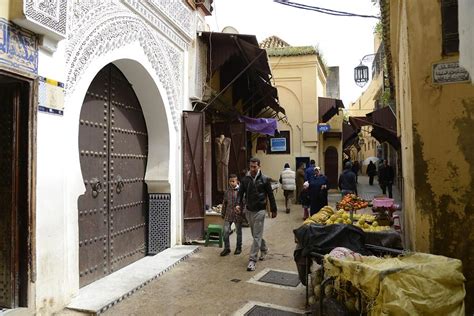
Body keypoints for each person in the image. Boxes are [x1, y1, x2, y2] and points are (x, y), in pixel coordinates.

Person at [236, 157, 277, 272]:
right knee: (256, 234)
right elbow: (240, 194)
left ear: (259, 166)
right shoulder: (245, 180)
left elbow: (270, 195)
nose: (253, 169)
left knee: (257, 235)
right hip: (249, 210)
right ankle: (264, 248)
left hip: (260, 211)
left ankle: (252, 260)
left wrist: (274, 209)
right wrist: (238, 204)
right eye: (251, 167)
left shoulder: (264, 179)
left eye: (255, 167)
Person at [220, 174, 243, 256]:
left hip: (238, 215)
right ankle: (227, 248)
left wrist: (243, 213)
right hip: (228, 214)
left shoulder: (241, 191)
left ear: (237, 181)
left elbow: (244, 203)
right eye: (230, 181)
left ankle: (238, 247)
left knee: (238, 232)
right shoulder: (227, 191)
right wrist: (223, 213)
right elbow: (224, 203)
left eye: (233, 181)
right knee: (225, 231)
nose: (232, 183)